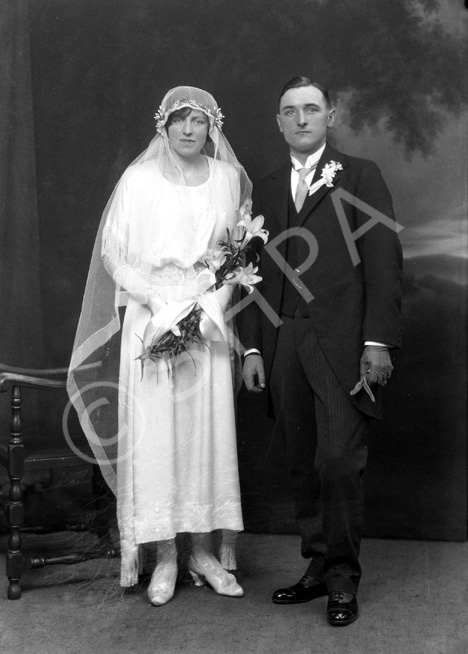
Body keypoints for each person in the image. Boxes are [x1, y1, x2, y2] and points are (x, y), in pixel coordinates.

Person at [67, 86, 252, 606]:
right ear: (164, 127)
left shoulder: (229, 179)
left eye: (199, 121)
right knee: (158, 441)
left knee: (203, 438)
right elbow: (115, 253)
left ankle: (203, 552)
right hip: (151, 321)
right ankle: (166, 557)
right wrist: (155, 301)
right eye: (180, 121)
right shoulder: (139, 180)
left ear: (212, 126)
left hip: (205, 321)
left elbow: (235, 255)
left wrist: (205, 307)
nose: (189, 130)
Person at [239, 76, 402, 626]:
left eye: (312, 109)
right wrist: (253, 350)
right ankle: (315, 565)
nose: (302, 118)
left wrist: (376, 341)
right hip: (283, 339)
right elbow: (255, 277)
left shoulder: (360, 175)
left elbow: (383, 262)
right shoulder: (263, 188)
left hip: (342, 341)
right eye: (291, 111)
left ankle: (342, 579)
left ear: (330, 115)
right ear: (279, 122)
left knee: (337, 462)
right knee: (301, 462)